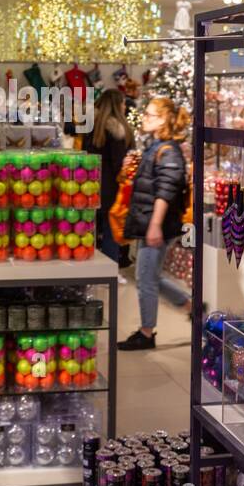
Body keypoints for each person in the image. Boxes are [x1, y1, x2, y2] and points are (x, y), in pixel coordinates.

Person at [118, 96, 190, 351]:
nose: (144, 118)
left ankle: (147, 333)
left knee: (146, 278)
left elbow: (167, 190)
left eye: (150, 114)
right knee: (149, 276)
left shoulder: (168, 151)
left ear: (163, 120)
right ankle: (192, 306)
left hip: (156, 223)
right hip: (149, 220)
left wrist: (155, 225)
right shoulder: (156, 146)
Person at [84, 90, 130, 269]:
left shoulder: (91, 127)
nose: (125, 106)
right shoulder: (116, 131)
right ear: (117, 105)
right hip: (110, 187)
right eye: (123, 103)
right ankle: (109, 270)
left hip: (88, 185)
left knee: (90, 230)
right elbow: (118, 164)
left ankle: (88, 269)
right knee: (111, 232)